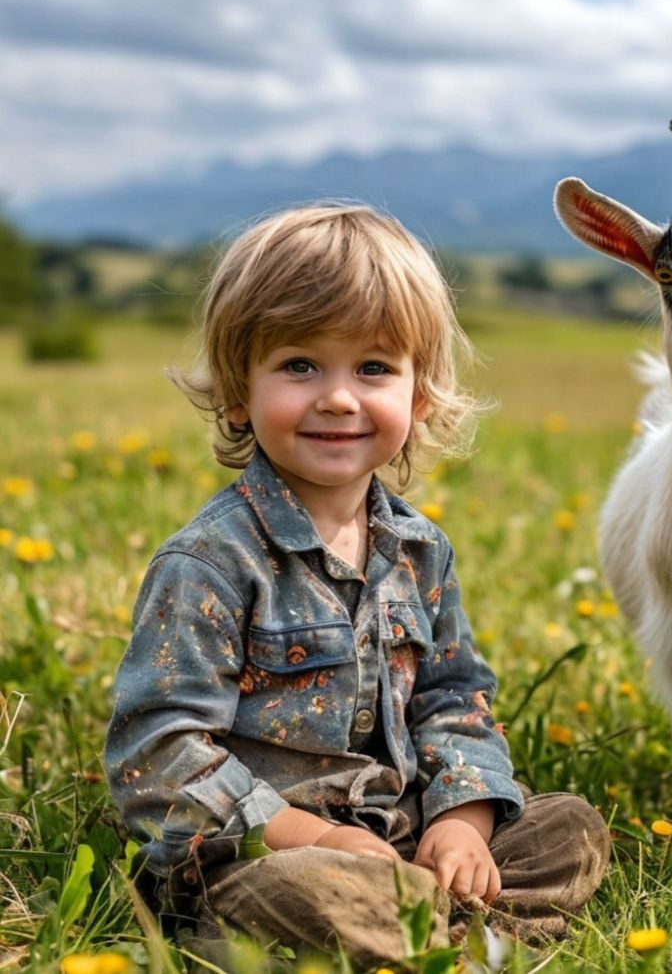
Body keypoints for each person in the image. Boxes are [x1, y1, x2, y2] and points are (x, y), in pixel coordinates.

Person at [104, 204, 609, 969]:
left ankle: (428, 922)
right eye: (300, 364)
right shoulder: (211, 562)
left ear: (420, 396)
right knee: (313, 895)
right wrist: (323, 839)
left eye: (373, 368)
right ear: (239, 390)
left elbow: (454, 699)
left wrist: (462, 822)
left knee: (567, 826)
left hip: (396, 831)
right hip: (268, 852)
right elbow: (158, 752)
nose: (338, 397)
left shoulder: (418, 551)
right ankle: (447, 936)